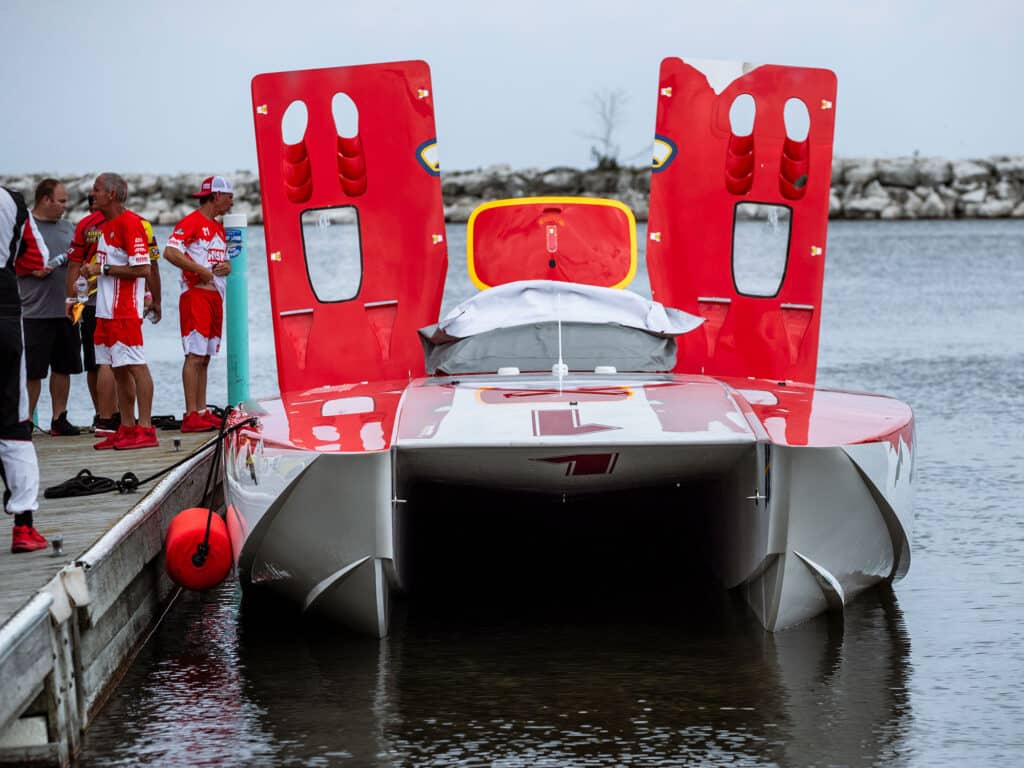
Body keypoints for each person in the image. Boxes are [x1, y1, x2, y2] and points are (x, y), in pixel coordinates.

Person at [66, 195, 162, 436]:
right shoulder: (98, 227)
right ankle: (123, 427)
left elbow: (145, 268)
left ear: (111, 195)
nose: (90, 195)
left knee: (135, 366)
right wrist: (75, 296)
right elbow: (76, 265)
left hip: (125, 310)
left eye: (96, 190)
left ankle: (144, 427)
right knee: (109, 365)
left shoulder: (133, 224)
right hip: (101, 309)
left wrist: (102, 269)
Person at [162, 175, 234, 433]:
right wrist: (199, 270)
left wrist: (226, 267)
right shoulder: (192, 222)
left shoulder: (218, 228)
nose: (232, 201)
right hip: (195, 296)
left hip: (215, 296)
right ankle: (191, 413)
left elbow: (221, 262)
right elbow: (170, 251)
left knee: (205, 357)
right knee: (194, 355)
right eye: (229, 196)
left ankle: (201, 411)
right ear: (215, 196)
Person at [14, 179, 82, 435]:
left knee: (63, 367)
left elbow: (82, 253)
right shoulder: (23, 227)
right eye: (61, 201)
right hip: (33, 313)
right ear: (45, 199)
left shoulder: (69, 228)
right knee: (33, 372)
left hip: (65, 310)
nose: (65, 206)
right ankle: (26, 422)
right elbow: (9, 261)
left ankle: (59, 418)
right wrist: (30, 269)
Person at [1, 186, 47, 553]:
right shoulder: (12, 201)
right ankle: (24, 526)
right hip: (3, 310)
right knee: (15, 422)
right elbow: (37, 258)